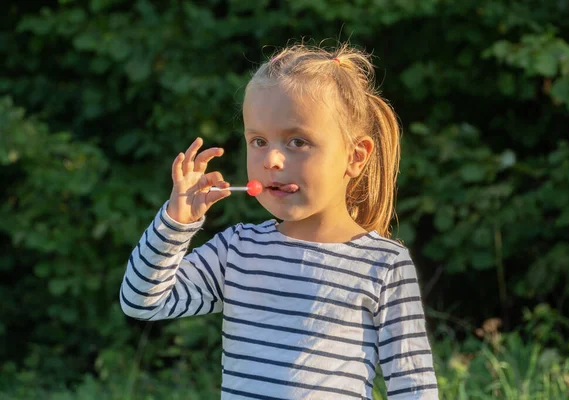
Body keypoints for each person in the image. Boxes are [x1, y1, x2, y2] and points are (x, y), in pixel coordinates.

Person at [120, 43, 439, 399]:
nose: (271, 159)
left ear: (355, 156)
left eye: (297, 142)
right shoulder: (237, 250)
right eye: (258, 141)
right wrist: (175, 224)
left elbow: (414, 388)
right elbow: (142, 301)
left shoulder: (383, 265)